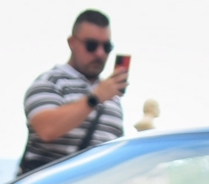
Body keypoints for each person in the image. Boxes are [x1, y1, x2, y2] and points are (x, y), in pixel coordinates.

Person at [21, 10, 130, 174]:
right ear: (72, 42)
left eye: (106, 47)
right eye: (91, 45)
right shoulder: (50, 82)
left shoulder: (112, 98)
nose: (100, 53)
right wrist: (96, 97)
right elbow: (47, 129)